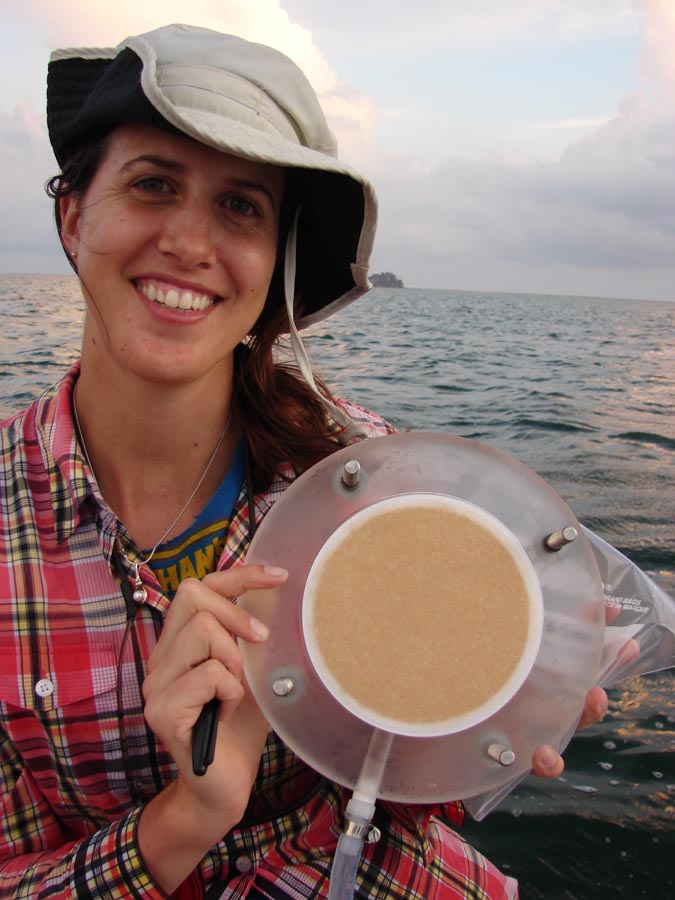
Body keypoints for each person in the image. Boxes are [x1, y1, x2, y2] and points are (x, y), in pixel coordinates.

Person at [0, 24, 609, 899]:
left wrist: (473, 725)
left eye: (240, 205)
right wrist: (189, 815)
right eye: (153, 184)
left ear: (274, 260)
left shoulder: (374, 479)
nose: (189, 241)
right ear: (72, 215)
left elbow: (394, 793)